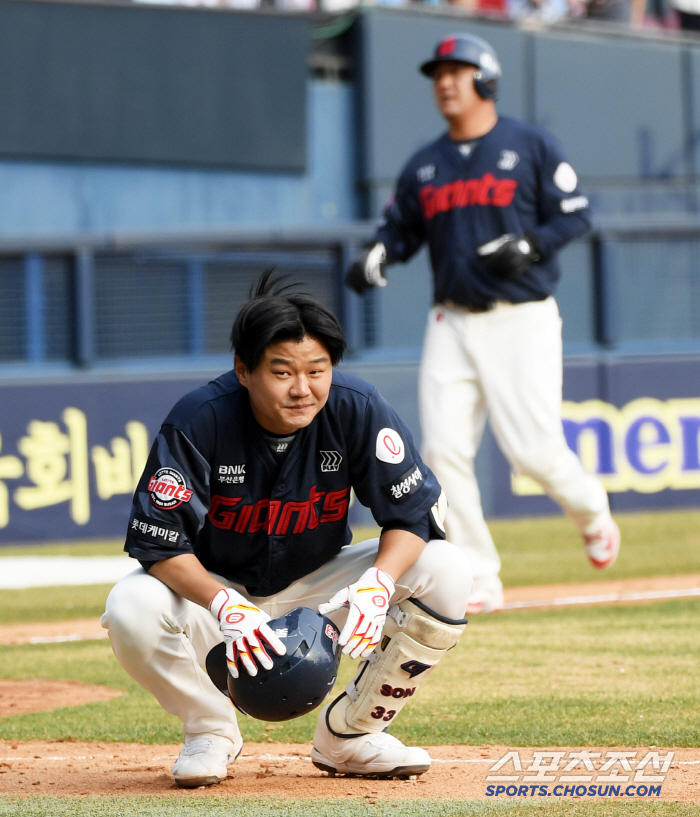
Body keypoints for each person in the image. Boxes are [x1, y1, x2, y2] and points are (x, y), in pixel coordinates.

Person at [101, 271, 472, 788]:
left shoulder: (355, 406)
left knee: (448, 568)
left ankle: (351, 735)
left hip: (322, 589)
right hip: (219, 597)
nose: (303, 389)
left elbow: (412, 515)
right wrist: (224, 605)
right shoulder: (200, 418)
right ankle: (210, 731)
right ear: (244, 369)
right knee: (129, 606)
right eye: (282, 372)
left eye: (317, 370)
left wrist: (379, 582)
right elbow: (158, 543)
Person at [345, 33, 620, 616]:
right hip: (451, 319)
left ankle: (592, 510)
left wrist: (530, 245)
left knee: (534, 452)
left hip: (520, 316)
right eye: (438, 72)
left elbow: (576, 213)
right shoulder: (425, 163)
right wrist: (378, 253)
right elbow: (402, 229)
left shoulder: (529, 144)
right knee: (442, 452)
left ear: (487, 79)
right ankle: (478, 575)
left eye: (458, 70)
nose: (445, 81)